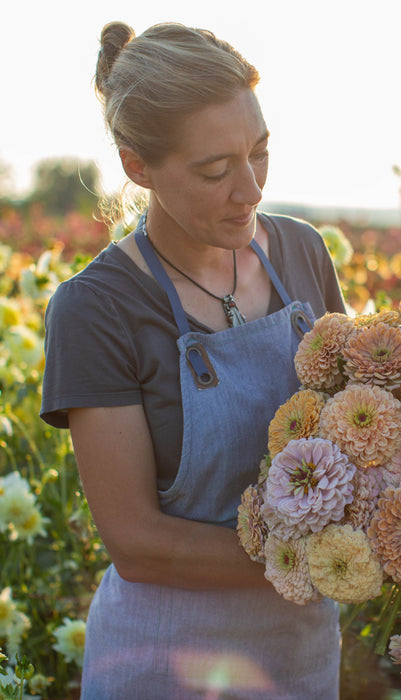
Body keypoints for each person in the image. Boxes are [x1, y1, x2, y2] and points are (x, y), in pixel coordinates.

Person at [40, 21, 346, 699]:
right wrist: (324, 557)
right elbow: (138, 542)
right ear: (137, 166)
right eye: (215, 170)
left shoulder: (301, 253)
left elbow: (357, 427)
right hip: (159, 667)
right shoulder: (97, 310)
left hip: (300, 661)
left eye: (259, 153)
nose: (251, 190)